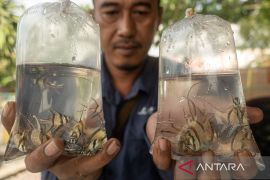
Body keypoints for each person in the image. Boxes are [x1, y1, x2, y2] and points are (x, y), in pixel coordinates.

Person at [0, 0, 264, 179]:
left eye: (139, 11)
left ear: (158, 16)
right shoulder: (60, 89)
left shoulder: (191, 85)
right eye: (112, 12)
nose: (126, 29)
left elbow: (212, 160)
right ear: (93, 19)